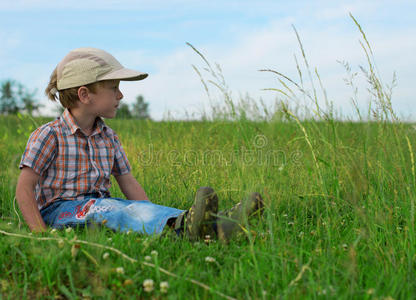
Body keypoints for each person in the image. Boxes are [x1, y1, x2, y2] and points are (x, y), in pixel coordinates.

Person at [15, 47, 263, 241]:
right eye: (114, 88)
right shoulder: (49, 135)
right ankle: (185, 228)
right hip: (59, 212)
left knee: (127, 208)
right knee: (113, 210)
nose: (120, 95)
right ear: (84, 95)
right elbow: (24, 189)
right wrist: (40, 233)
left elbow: (128, 182)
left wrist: (148, 210)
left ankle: (213, 225)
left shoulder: (109, 137)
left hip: (100, 205)